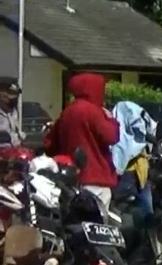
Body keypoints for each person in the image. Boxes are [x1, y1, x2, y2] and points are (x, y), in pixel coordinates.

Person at [43, 73, 120, 209]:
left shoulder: (67, 111)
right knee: (96, 222)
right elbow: (111, 137)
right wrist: (111, 120)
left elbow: (50, 145)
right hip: (96, 179)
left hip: (71, 179)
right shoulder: (94, 111)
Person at [0, 77, 21, 147]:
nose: (14, 98)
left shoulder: (13, 113)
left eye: (16, 95)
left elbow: (14, 133)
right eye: (11, 94)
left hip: (12, 153)